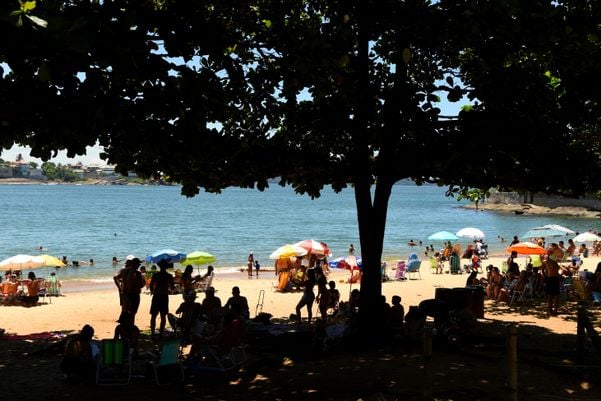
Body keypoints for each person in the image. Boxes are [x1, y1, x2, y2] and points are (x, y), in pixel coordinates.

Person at [114, 257, 145, 324]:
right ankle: (131, 326)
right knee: (133, 312)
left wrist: (119, 287)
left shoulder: (124, 271)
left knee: (125, 311)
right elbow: (141, 285)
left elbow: (116, 277)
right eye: (138, 264)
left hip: (125, 293)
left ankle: (124, 326)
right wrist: (145, 281)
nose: (139, 265)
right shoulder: (138, 273)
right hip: (134, 294)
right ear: (136, 264)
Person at [149, 259, 175, 337]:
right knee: (163, 316)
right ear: (166, 267)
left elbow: (151, 286)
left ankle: (153, 333)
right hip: (164, 296)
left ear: (159, 267)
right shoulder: (169, 276)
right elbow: (172, 287)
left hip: (156, 296)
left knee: (153, 316)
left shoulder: (155, 275)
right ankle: (161, 333)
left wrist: (153, 291)